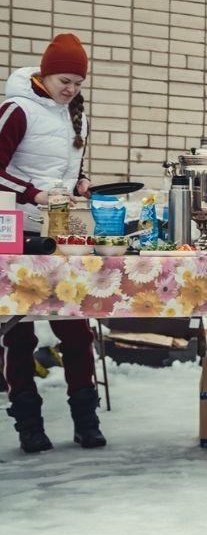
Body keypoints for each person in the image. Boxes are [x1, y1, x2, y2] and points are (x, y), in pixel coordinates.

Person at [0, 33, 105, 453]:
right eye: (65, 79)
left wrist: (80, 183)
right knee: (19, 330)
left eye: (78, 82)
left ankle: (87, 419)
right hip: (19, 229)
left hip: (63, 228)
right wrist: (36, 194)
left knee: (75, 324)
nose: (71, 89)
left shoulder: (76, 116)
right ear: (45, 73)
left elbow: (67, 169)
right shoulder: (16, 110)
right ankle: (29, 424)